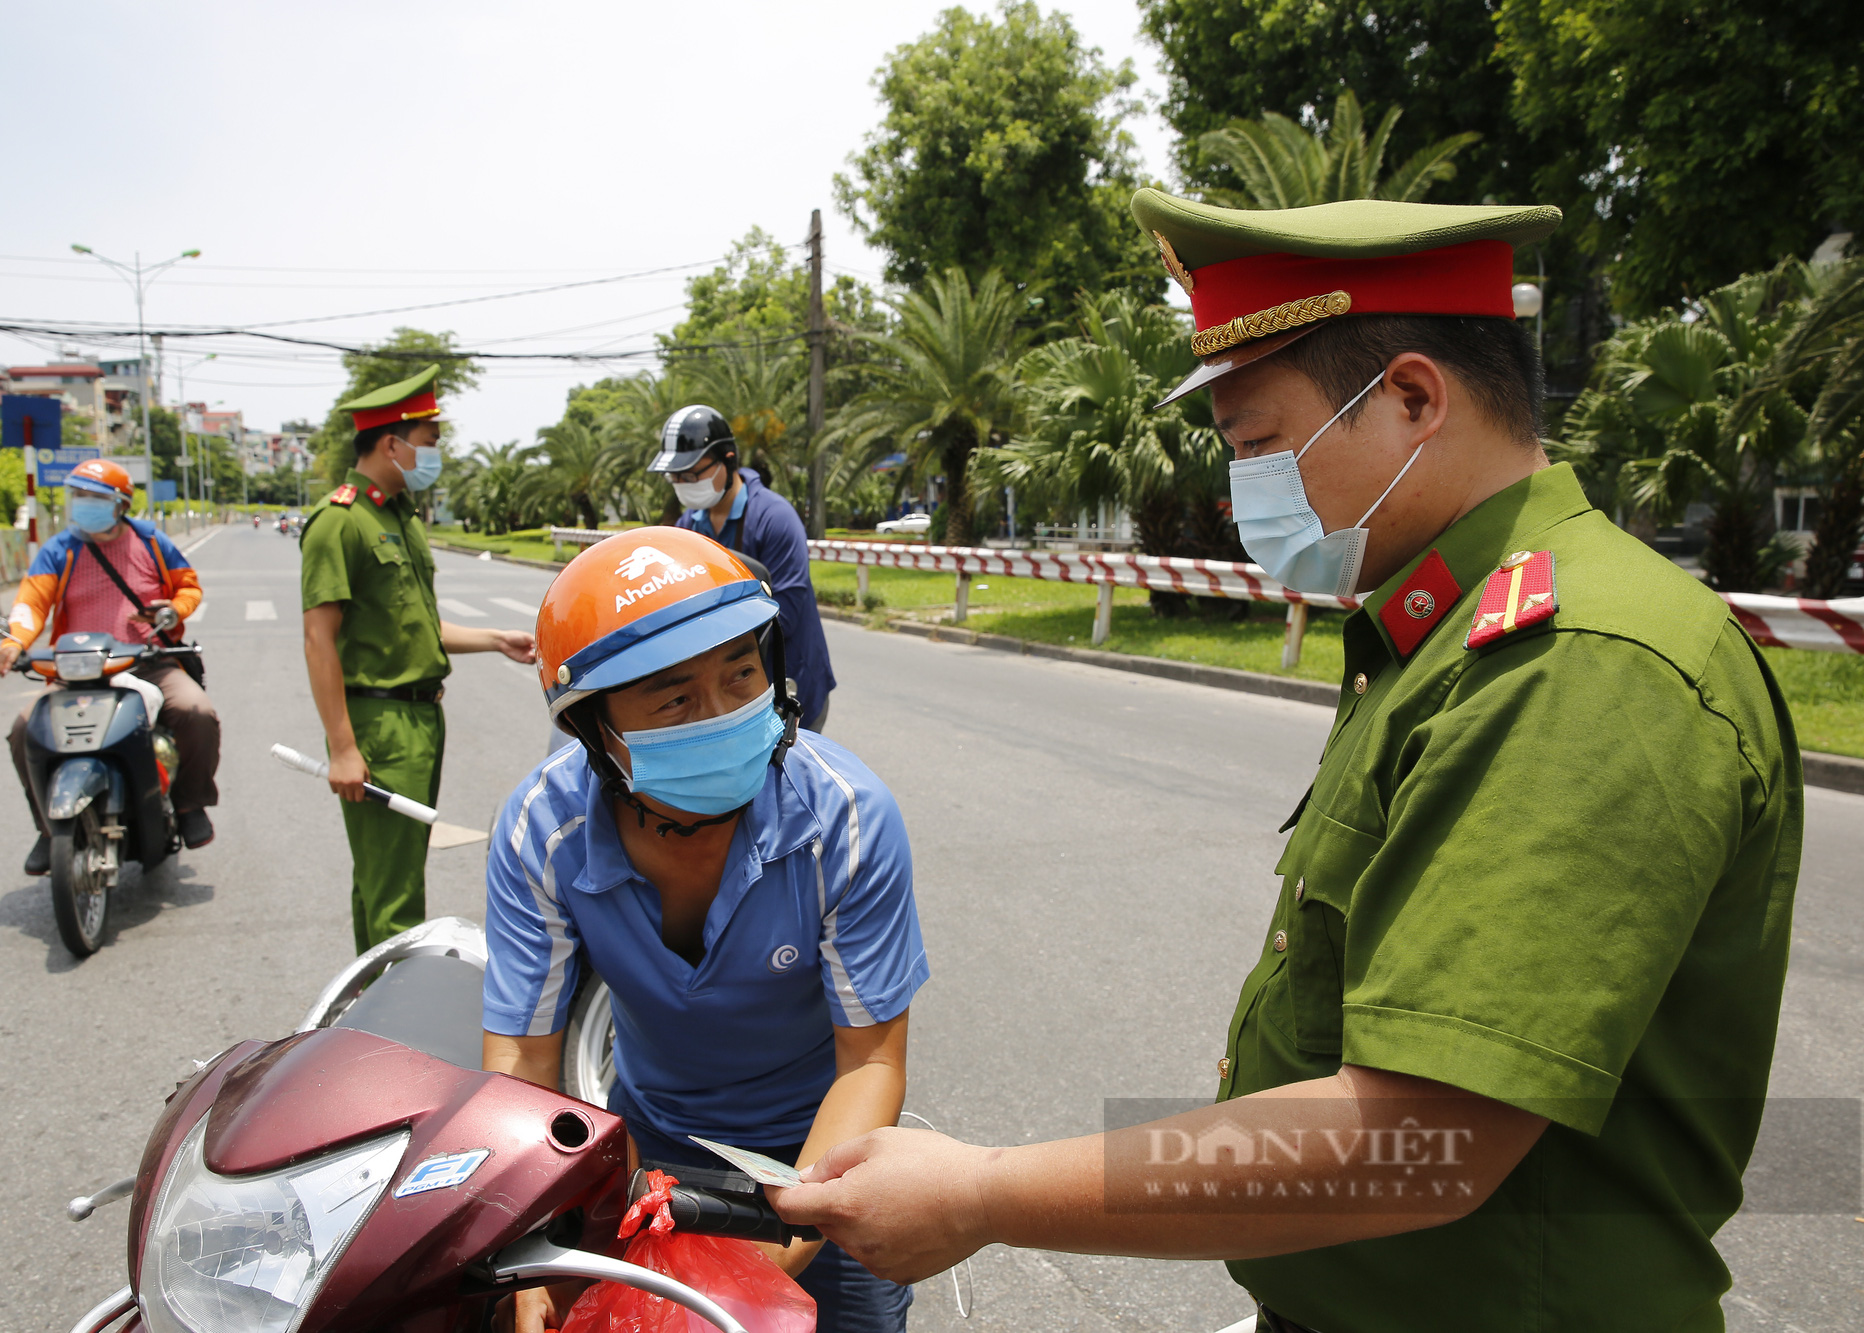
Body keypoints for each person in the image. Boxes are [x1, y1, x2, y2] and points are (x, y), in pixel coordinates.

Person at [772, 194, 1803, 1333]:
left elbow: (1423, 1139)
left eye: (1261, 447)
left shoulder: (1573, 660)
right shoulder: (1440, 630)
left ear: (1412, 398)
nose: (1240, 492)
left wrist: (983, 1192)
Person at [482, 525, 927, 1333]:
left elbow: (870, 1062)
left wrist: (746, 1270)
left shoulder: (846, 820)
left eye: (742, 674)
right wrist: (533, 1233)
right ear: (595, 728)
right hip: (648, 1148)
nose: (721, 713)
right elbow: (523, 1058)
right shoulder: (539, 831)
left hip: (824, 1148)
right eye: (675, 698)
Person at [299, 364, 535, 952]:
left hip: (422, 719)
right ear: (391, 444)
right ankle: (389, 1033)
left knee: (387, 876)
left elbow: (420, 628)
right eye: (428, 443)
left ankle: (366, 1009)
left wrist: (494, 639)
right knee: (394, 891)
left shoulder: (398, 517)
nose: (434, 455)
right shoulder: (341, 521)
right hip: (381, 726)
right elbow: (317, 638)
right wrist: (343, 746)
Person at [0, 458, 220, 874]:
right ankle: (48, 829)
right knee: (24, 730)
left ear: (119, 504)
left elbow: (188, 585)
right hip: (77, 670)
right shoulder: (59, 549)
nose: (83, 504)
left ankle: (190, 804)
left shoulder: (150, 541)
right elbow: (31, 602)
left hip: (148, 660)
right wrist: (14, 641)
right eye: (78, 496)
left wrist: (172, 610)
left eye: (94, 497)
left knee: (196, 713)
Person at [651, 405, 836, 732]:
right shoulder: (688, 526)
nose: (683, 484)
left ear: (728, 459)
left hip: (789, 683)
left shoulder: (774, 518)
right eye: (675, 477)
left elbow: (786, 614)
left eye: (692, 475)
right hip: (731, 694)